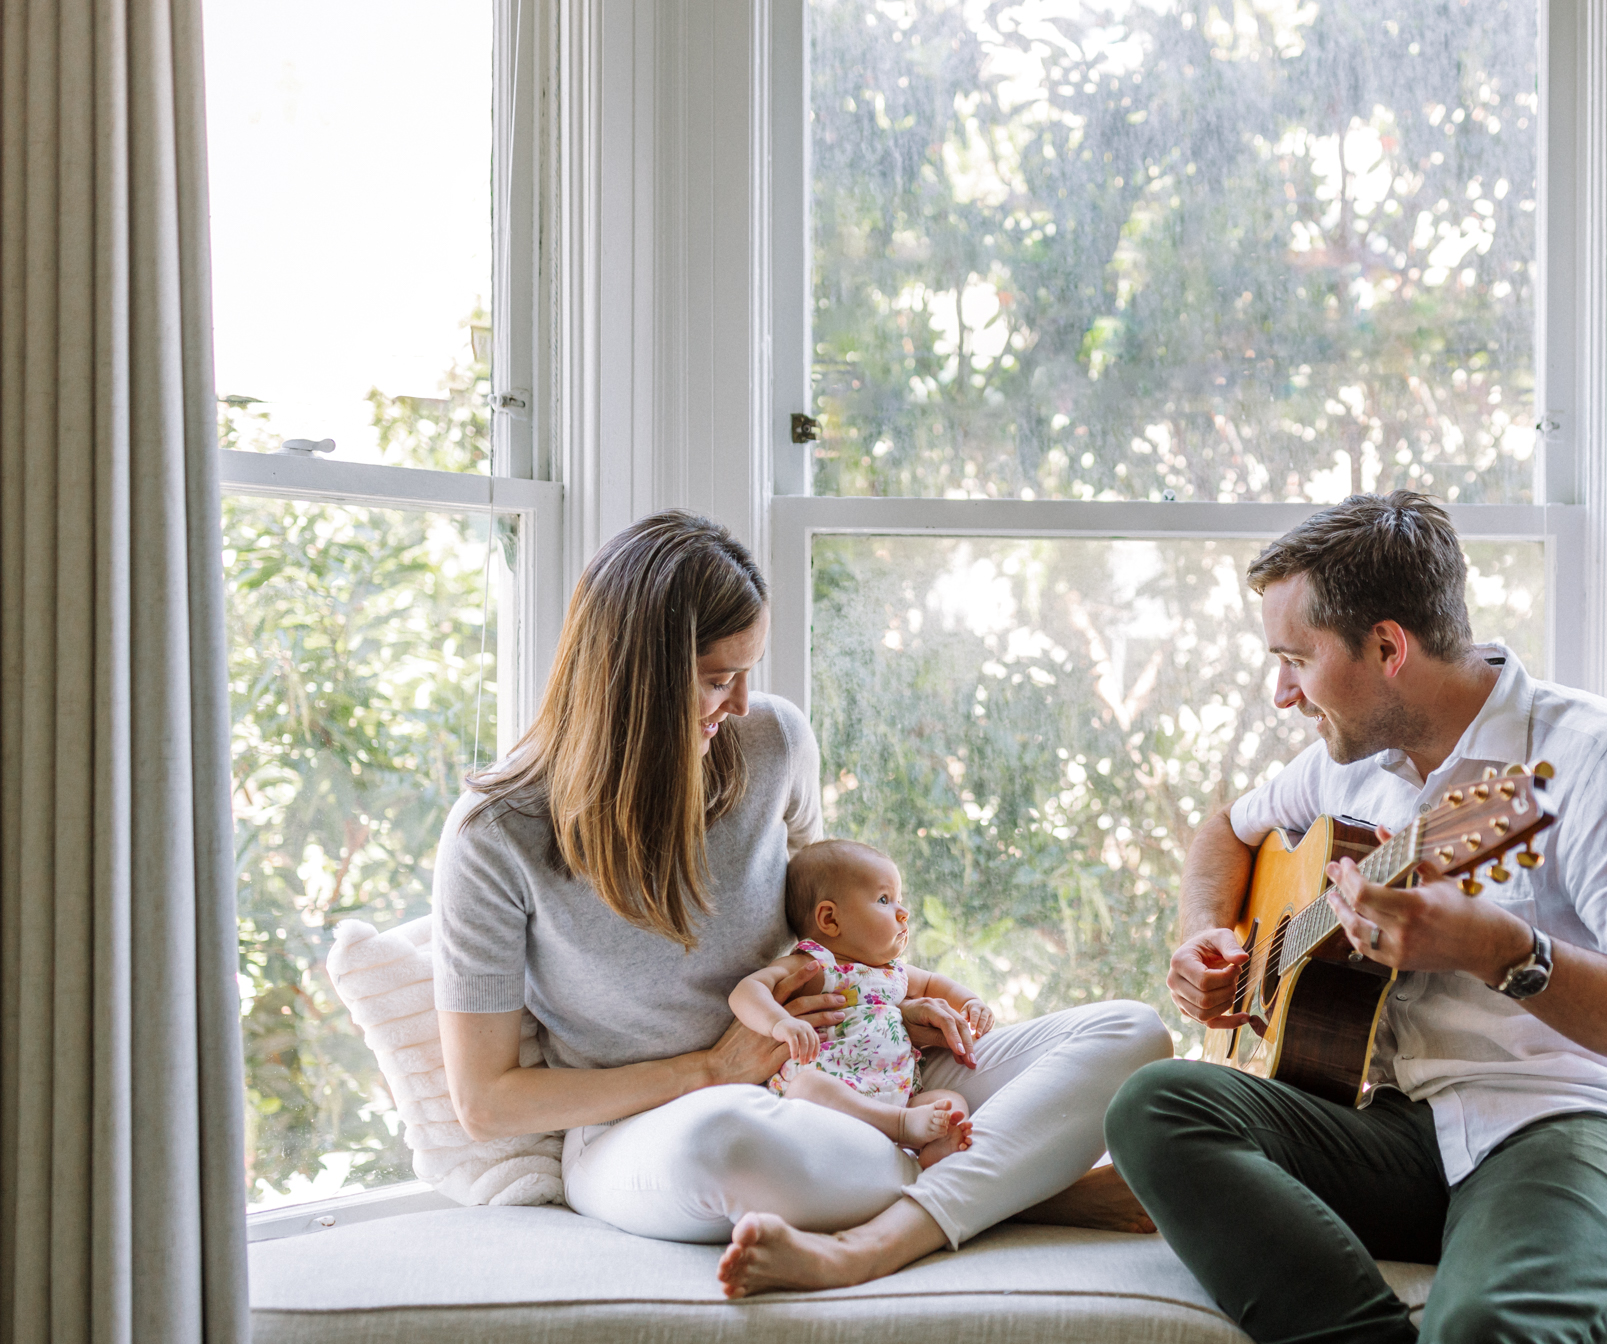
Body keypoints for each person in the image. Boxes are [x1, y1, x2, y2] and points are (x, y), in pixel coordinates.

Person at [1104, 491, 1607, 1344]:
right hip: (1411, 1130)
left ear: (1388, 647)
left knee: (1488, 1334)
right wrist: (1208, 938)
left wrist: (1505, 951)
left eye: (1295, 659)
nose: (1280, 690)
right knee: (1158, 1105)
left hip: (1587, 1124)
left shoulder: (1593, 761)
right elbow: (1228, 829)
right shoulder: (1354, 765)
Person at [433, 509, 1170, 1297]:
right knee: (726, 1140)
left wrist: (883, 1002)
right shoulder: (495, 833)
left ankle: (906, 1222)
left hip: (841, 1081)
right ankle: (1022, 1188)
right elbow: (488, 1101)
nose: (744, 702)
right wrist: (709, 1068)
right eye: (718, 678)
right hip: (650, 1132)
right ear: (634, 687)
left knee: (1132, 1035)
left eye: (750, 670)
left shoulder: (771, 743)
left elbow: (821, 927)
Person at [729, 839, 989, 1168]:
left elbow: (935, 984)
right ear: (830, 919)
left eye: (900, 899)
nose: (903, 912)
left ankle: (932, 1150)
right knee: (807, 1086)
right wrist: (780, 1023)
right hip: (831, 1098)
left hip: (897, 1093)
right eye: (884, 899)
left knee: (949, 1103)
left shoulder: (893, 972)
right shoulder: (816, 966)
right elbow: (747, 990)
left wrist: (971, 1002)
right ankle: (900, 1127)